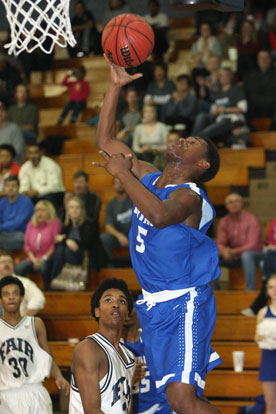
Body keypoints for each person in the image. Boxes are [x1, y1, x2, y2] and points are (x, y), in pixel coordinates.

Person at [93, 55, 222, 414]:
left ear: (202, 164)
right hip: (155, 307)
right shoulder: (148, 177)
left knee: (182, 402)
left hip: (185, 301)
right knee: (178, 401)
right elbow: (105, 140)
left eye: (193, 142)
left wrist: (123, 175)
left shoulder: (190, 196)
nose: (183, 140)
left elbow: (160, 215)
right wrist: (115, 86)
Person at [0, 275, 69, 413]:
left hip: (35, 390)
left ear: (22, 297)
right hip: (7, 394)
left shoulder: (35, 323)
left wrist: (58, 376)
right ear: (0, 300)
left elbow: (47, 356)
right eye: (6, 294)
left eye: (15, 293)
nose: (11, 297)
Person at [69, 277, 136, 414]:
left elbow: (126, 406)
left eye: (122, 301)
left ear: (127, 313)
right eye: (108, 300)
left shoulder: (130, 356)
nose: (116, 304)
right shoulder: (88, 349)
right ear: (97, 311)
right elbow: (92, 410)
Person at [123, 301, 173, 414]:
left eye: (131, 307)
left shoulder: (157, 341)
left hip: (160, 407)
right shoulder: (112, 347)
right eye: (124, 307)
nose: (128, 312)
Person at [51, 196, 104, 285]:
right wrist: (67, 241)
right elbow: (58, 243)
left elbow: (85, 243)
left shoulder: (90, 224)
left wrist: (65, 240)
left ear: (82, 210)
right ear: (68, 211)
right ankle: (55, 281)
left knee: (68, 251)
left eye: (77, 207)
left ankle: (62, 282)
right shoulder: (67, 227)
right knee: (59, 251)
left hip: (88, 256)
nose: (74, 210)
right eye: (71, 207)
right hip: (69, 255)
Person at [216, 192, 262, 290]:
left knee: (247, 255)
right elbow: (220, 243)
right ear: (226, 206)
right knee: (212, 256)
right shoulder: (224, 221)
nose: (234, 204)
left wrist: (233, 251)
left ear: (242, 203)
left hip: (254, 255)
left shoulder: (252, 219)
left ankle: (250, 291)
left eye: (237, 201)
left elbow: (252, 245)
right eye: (230, 202)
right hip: (233, 256)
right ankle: (214, 292)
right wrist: (224, 250)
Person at [192, 68, 247, 146]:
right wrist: (214, 110)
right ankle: (194, 140)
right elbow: (213, 108)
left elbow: (243, 108)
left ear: (230, 77)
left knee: (208, 131)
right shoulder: (218, 92)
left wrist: (226, 109)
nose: (223, 78)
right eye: (221, 76)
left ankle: (193, 142)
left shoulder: (236, 90)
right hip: (218, 117)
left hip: (231, 119)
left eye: (225, 75)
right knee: (201, 116)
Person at [14, 200, 61, 291]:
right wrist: (34, 260)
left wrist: (42, 258)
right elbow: (27, 245)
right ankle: (24, 291)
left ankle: (48, 290)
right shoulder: (31, 224)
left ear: (49, 212)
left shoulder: (55, 223)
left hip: (49, 257)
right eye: (38, 210)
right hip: (33, 258)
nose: (40, 213)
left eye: (43, 210)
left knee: (44, 266)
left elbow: (54, 246)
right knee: (19, 267)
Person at [242, 218, 276, 316]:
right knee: (267, 253)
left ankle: (266, 280)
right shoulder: (274, 222)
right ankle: (267, 279)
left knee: (268, 256)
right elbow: (269, 242)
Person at [19, 143, 65, 209]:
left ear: (41, 152)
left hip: (54, 194)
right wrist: (25, 192)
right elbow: (23, 186)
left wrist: (37, 191)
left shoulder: (51, 165)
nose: (33, 156)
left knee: (47, 198)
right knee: (23, 200)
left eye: (35, 152)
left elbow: (55, 187)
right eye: (30, 153)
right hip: (34, 196)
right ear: (27, 154)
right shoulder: (25, 167)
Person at [255, 275, 276, 414]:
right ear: (267, 290)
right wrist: (265, 336)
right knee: (271, 405)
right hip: (269, 359)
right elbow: (256, 337)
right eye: (271, 287)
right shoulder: (263, 312)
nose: (274, 290)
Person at [0, 251, 45, 316]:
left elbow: (39, 298)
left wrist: (24, 318)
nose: (6, 264)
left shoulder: (24, 282)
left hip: (18, 320)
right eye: (3, 262)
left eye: (9, 262)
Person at [100, 177, 133, 266]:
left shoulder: (134, 200)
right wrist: (119, 236)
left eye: (121, 182)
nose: (119, 185)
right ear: (113, 186)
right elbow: (108, 226)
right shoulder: (110, 205)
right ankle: (111, 266)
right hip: (119, 236)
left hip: (134, 234)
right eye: (117, 183)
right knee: (103, 239)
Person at [244, 50, 276, 130]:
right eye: (261, 58)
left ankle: (271, 134)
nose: (263, 60)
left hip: (272, 106)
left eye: (266, 58)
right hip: (254, 106)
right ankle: (252, 135)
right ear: (257, 60)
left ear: (270, 60)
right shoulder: (250, 75)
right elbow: (248, 93)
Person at [0, 176, 34, 251]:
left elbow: (17, 224)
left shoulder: (26, 202)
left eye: (13, 186)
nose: (10, 188)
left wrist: (1, 227)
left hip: (21, 233)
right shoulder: (2, 202)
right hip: (5, 233)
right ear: (4, 188)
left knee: (19, 238)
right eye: (7, 186)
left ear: (18, 187)